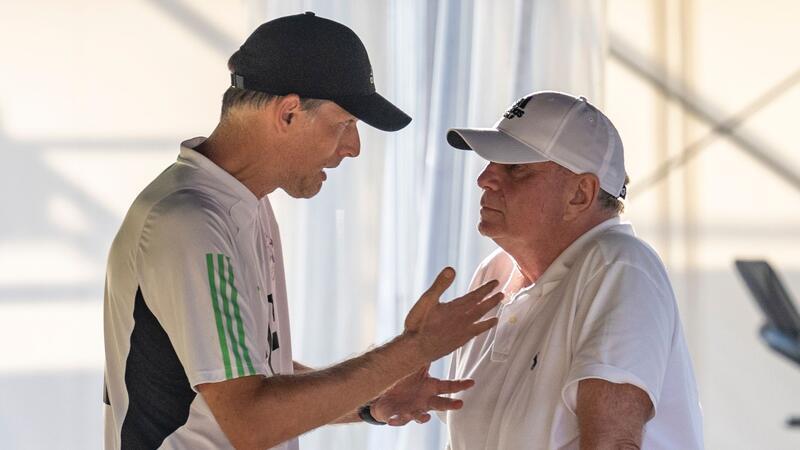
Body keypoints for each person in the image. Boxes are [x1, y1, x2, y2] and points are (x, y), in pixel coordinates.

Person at [102, 12, 503, 450]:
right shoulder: (190, 222)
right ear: (289, 112)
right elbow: (251, 421)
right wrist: (414, 348)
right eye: (345, 123)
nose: (353, 148)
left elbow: (252, 372)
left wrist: (371, 400)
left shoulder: (243, 204)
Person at [440, 91, 704, 449]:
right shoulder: (494, 275)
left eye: (515, 168)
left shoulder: (619, 265)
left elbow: (612, 443)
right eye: (490, 163)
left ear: (580, 193)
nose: (485, 178)